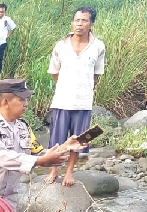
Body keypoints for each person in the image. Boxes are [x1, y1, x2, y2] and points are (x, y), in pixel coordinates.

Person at [0, 79, 80, 205]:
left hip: (8, 200)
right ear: (5, 102)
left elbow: (37, 154)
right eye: (22, 100)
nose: (26, 104)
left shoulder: (23, 128)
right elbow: (4, 158)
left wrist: (65, 147)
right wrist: (40, 161)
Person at [44, 6, 105, 188]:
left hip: (83, 101)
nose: (79, 24)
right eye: (77, 20)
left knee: (80, 139)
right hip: (62, 100)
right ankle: (54, 170)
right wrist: (65, 85)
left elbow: (96, 74)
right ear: (72, 22)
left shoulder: (98, 47)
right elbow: (54, 72)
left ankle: (69, 172)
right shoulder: (61, 45)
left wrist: (83, 87)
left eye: (84, 20)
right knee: (58, 138)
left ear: (91, 24)